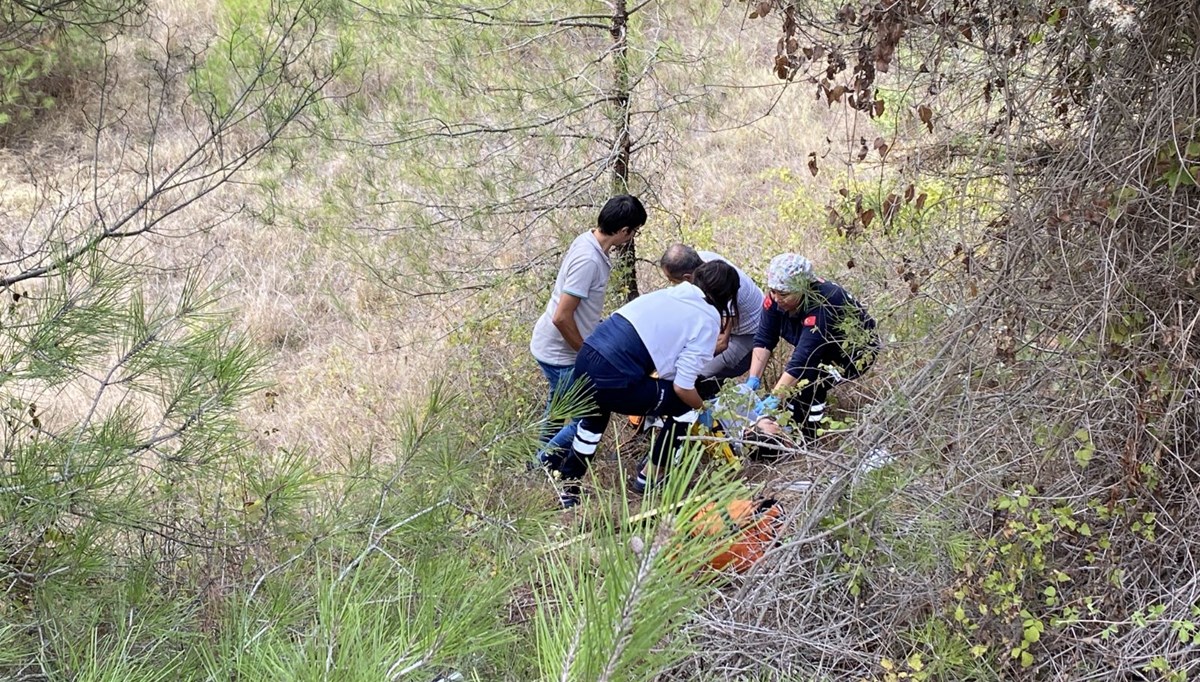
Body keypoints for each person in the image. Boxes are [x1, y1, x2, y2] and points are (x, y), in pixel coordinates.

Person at [543, 260, 741, 508]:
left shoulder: (670, 294)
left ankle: (568, 487)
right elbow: (682, 386)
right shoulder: (708, 318)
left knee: (591, 424)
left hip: (587, 356)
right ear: (726, 295)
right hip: (616, 377)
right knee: (685, 408)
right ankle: (651, 476)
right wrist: (704, 410)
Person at [529, 195, 646, 463]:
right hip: (559, 352)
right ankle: (540, 465)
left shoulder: (591, 244)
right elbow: (561, 316)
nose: (632, 237)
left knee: (558, 407)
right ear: (624, 230)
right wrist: (585, 353)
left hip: (554, 346)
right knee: (588, 414)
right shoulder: (589, 260)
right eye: (633, 231)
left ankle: (536, 457)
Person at [742, 253, 879, 441]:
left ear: (804, 288)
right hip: (819, 348)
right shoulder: (774, 298)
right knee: (793, 386)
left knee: (809, 383)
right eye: (773, 291)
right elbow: (764, 338)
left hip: (853, 354)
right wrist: (753, 379)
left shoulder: (825, 304)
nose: (776, 298)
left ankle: (806, 435)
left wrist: (776, 396)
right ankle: (787, 422)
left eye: (783, 294)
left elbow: (803, 361)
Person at [659, 244, 765, 392]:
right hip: (727, 325)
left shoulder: (722, 286)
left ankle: (709, 407)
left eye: (672, 280)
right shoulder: (701, 261)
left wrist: (684, 361)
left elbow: (722, 343)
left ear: (687, 278)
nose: (672, 284)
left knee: (697, 376)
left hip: (749, 334)